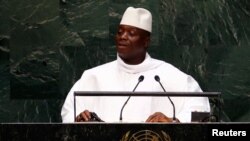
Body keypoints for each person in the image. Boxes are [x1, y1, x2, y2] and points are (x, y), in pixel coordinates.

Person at [61, 7, 210, 123]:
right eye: (120, 32)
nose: (123, 37)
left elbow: (201, 112)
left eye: (131, 33)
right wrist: (78, 119)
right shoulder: (94, 76)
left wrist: (174, 121)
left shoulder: (169, 76)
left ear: (146, 41)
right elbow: (69, 112)